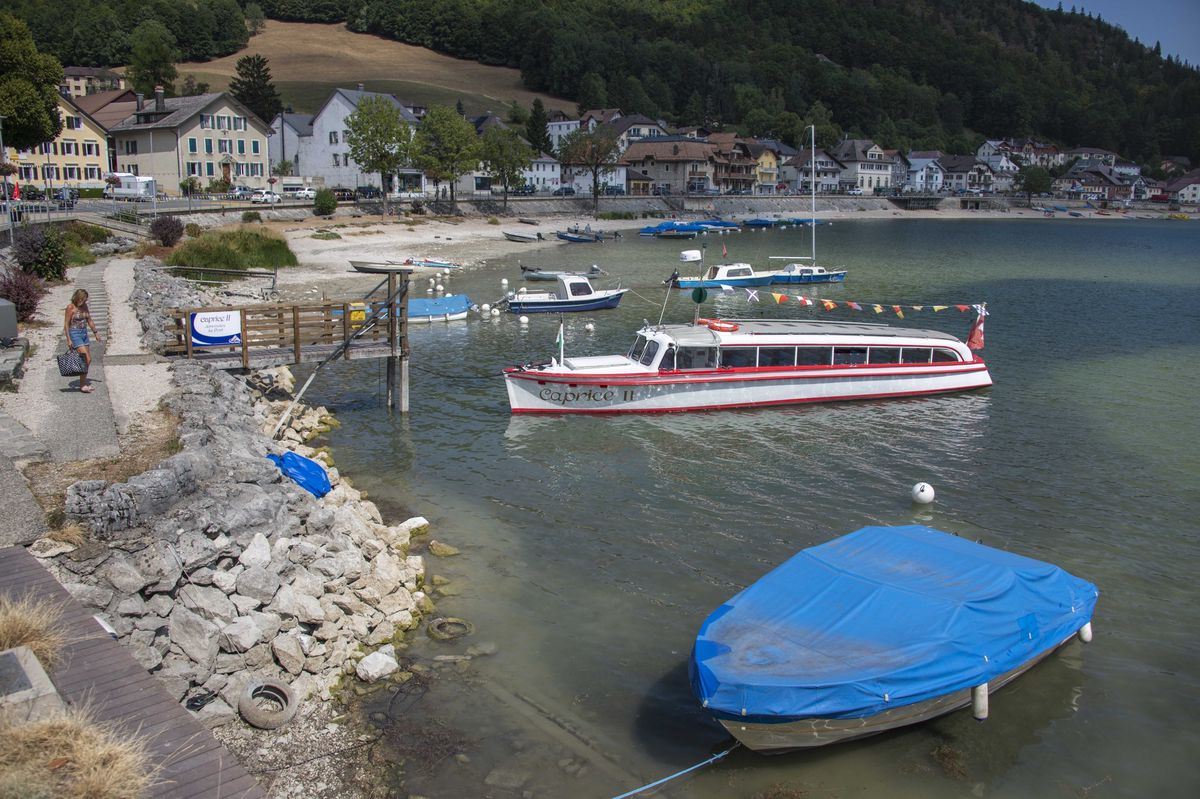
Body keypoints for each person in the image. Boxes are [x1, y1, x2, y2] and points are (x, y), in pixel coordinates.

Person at [64, 288, 103, 393]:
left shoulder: (84, 307)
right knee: (86, 358)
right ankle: (82, 385)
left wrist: (95, 333)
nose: (84, 302)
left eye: (85, 300)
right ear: (77, 298)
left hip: (84, 333)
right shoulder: (70, 308)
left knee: (88, 359)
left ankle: (83, 382)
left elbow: (89, 320)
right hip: (75, 334)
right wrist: (68, 339)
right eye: (82, 299)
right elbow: (66, 325)